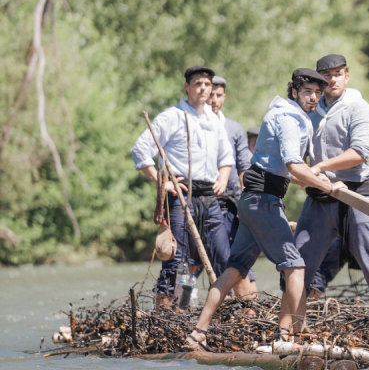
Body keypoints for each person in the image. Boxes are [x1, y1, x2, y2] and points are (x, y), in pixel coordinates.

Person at [185, 69, 345, 350]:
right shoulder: (288, 118)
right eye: (307, 91)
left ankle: (198, 332)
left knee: (234, 270)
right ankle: (292, 337)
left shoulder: (285, 114)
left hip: (253, 202)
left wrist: (320, 181)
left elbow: (287, 174)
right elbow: (295, 166)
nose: (313, 98)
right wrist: (329, 187)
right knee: (295, 267)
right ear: (294, 91)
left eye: (318, 94)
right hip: (263, 203)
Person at [294, 54, 369, 344]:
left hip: (355, 196)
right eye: (326, 75)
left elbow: (360, 152)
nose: (332, 80)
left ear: (347, 76)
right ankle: (294, 330)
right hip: (318, 198)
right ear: (317, 81)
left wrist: (319, 167)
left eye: (337, 74)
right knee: (298, 262)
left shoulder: (359, 107)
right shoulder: (310, 110)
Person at [131, 66, 235, 308]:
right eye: (197, 84)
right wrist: (162, 181)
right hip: (181, 196)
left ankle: (217, 314)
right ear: (187, 87)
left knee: (223, 256)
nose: (203, 88)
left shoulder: (213, 119)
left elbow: (226, 156)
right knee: (178, 260)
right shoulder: (172, 116)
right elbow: (140, 150)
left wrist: (223, 176)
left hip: (209, 197)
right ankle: (165, 317)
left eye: (207, 85)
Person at [208, 76, 258, 297]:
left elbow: (244, 166)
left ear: (224, 97)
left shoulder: (233, 128)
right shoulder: (192, 124)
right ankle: (183, 310)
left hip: (229, 202)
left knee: (236, 257)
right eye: (210, 94)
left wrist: (245, 199)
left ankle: (247, 312)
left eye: (218, 95)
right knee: (194, 261)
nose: (213, 100)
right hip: (200, 201)